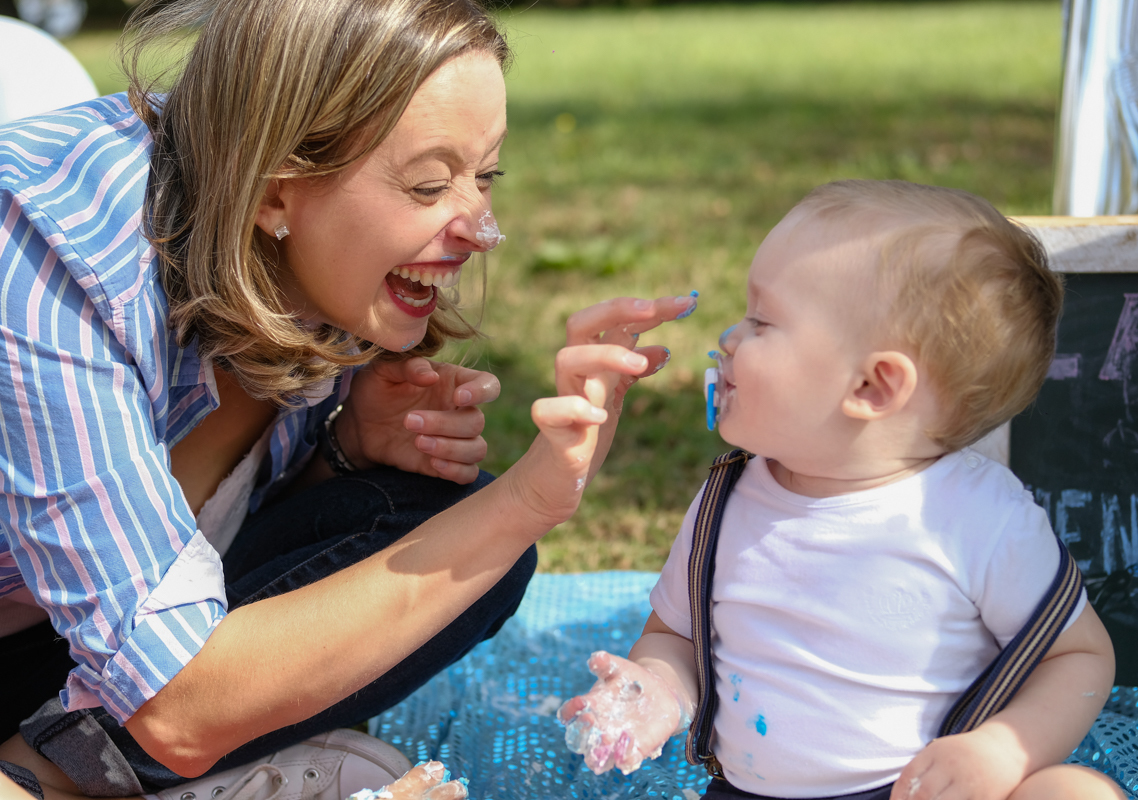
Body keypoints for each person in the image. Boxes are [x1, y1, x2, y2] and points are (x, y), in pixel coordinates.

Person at [0, 0, 700, 798]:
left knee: (452, 531)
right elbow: (173, 706)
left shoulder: (277, 214)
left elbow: (173, 536)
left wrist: (341, 454)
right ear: (275, 189)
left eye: (484, 177)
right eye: (430, 184)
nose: (482, 230)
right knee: (484, 532)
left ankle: (49, 764)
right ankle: (44, 779)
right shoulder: (50, 260)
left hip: (68, 634)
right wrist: (529, 501)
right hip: (53, 646)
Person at [557, 180, 1128, 800]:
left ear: (872, 387)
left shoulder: (978, 518)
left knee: (1076, 792)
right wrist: (656, 689)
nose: (729, 337)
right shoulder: (726, 501)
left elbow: (1077, 656)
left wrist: (1003, 749)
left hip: (919, 792)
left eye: (761, 320)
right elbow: (675, 637)